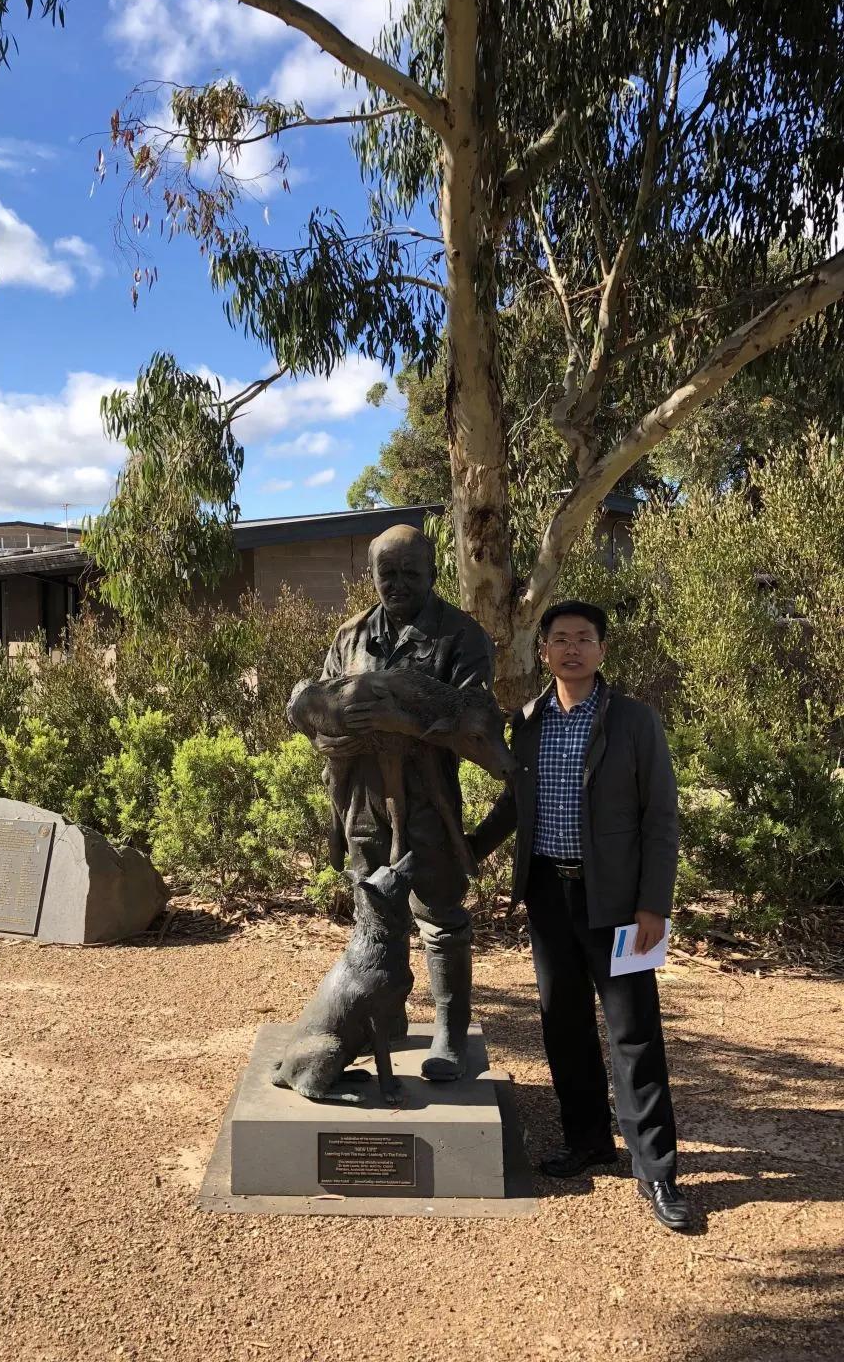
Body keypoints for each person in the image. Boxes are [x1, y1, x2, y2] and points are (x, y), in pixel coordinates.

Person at [469, 599, 693, 1231]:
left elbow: (661, 821)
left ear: (601, 650)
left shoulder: (634, 722)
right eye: (560, 639)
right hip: (549, 895)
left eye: (584, 639)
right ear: (543, 652)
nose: (572, 648)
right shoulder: (529, 722)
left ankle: (657, 1173)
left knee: (634, 1034)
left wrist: (655, 905)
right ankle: (588, 1139)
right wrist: (465, 852)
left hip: (620, 905)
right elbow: (516, 805)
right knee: (562, 1023)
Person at [293, 524, 495, 1082]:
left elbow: (474, 718)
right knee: (374, 913)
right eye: (388, 573)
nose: (399, 583)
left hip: (427, 800)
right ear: (373, 575)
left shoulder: (461, 636)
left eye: (411, 572)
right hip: (362, 800)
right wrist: (334, 729)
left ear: (433, 574)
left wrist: (399, 719)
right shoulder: (351, 635)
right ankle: (388, 1019)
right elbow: (321, 708)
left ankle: (451, 1032)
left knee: (441, 915)